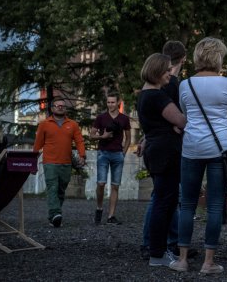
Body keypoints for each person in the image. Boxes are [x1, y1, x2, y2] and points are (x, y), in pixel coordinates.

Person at [171, 37, 227, 275]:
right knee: (215, 205)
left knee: (187, 204)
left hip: (192, 147)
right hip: (220, 148)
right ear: (218, 57)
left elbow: (185, 111)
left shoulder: (185, 84)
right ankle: (208, 262)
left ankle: (182, 260)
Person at [137, 53, 186, 269]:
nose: (170, 73)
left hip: (156, 151)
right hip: (165, 152)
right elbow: (182, 120)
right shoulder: (157, 96)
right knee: (164, 202)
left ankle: (158, 250)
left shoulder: (144, 95)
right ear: (157, 71)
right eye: (167, 70)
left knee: (162, 201)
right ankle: (157, 253)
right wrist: (176, 125)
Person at [33, 97, 86, 227]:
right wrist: (32, 162)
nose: (61, 107)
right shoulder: (44, 124)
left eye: (63, 105)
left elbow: (79, 141)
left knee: (61, 191)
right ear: (52, 108)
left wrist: (82, 155)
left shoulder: (72, 124)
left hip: (66, 163)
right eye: (58, 105)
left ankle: (53, 218)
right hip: (50, 163)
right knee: (52, 188)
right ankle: (56, 213)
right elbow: (37, 144)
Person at [90, 92, 131, 225]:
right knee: (101, 184)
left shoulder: (124, 118)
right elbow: (91, 135)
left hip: (117, 154)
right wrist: (102, 137)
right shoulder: (101, 117)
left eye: (113, 102)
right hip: (103, 153)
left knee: (115, 186)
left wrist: (123, 153)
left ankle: (111, 216)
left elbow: (128, 138)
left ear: (118, 102)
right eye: (108, 102)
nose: (110, 104)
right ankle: (99, 208)